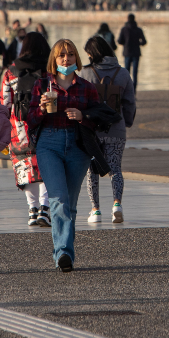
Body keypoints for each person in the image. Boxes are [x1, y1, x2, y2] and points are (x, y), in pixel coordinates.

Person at [26, 39, 103, 272]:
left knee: (69, 202)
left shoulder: (86, 87)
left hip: (78, 144)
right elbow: (29, 120)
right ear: (54, 60)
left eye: (70, 55)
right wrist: (40, 109)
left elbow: (99, 117)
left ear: (76, 58)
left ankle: (65, 249)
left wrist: (83, 115)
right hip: (49, 143)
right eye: (61, 56)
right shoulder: (42, 85)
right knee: (58, 198)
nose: (66, 59)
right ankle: (63, 253)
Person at [79, 35, 136, 224]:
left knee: (92, 170)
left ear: (92, 53)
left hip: (91, 129)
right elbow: (129, 103)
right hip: (116, 128)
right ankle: (117, 204)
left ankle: (95, 210)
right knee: (115, 169)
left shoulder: (84, 73)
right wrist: (126, 122)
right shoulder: (123, 73)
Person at [0, 31, 53, 227]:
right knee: (47, 165)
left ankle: (32, 210)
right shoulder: (49, 70)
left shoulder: (11, 71)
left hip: (19, 127)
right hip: (44, 122)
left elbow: (4, 103)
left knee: (25, 167)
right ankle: (45, 209)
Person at [118, 13, 146, 88]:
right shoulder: (138, 30)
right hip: (136, 53)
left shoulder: (124, 29)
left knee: (126, 73)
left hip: (127, 52)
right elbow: (144, 41)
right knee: (135, 73)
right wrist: (138, 43)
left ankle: (127, 91)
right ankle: (134, 92)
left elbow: (119, 41)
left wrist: (126, 43)